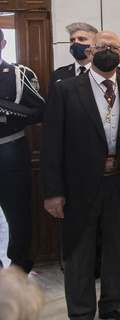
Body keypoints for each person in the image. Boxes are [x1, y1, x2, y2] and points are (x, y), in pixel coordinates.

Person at [41, 31, 120, 320]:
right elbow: (51, 143)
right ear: (90, 52)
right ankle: (81, 311)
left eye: (113, 48)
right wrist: (53, 191)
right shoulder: (66, 89)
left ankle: (113, 304)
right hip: (79, 185)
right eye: (101, 47)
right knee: (79, 250)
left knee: (115, 246)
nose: (107, 52)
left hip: (119, 181)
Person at [0, 29, 44, 274]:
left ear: (3, 43)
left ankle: (18, 267)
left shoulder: (17, 75)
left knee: (18, 217)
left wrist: (5, 111)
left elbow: (39, 111)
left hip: (10, 151)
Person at [50, 22, 120, 85]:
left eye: (81, 39)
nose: (75, 43)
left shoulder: (116, 73)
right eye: (72, 40)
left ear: (93, 43)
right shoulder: (58, 75)